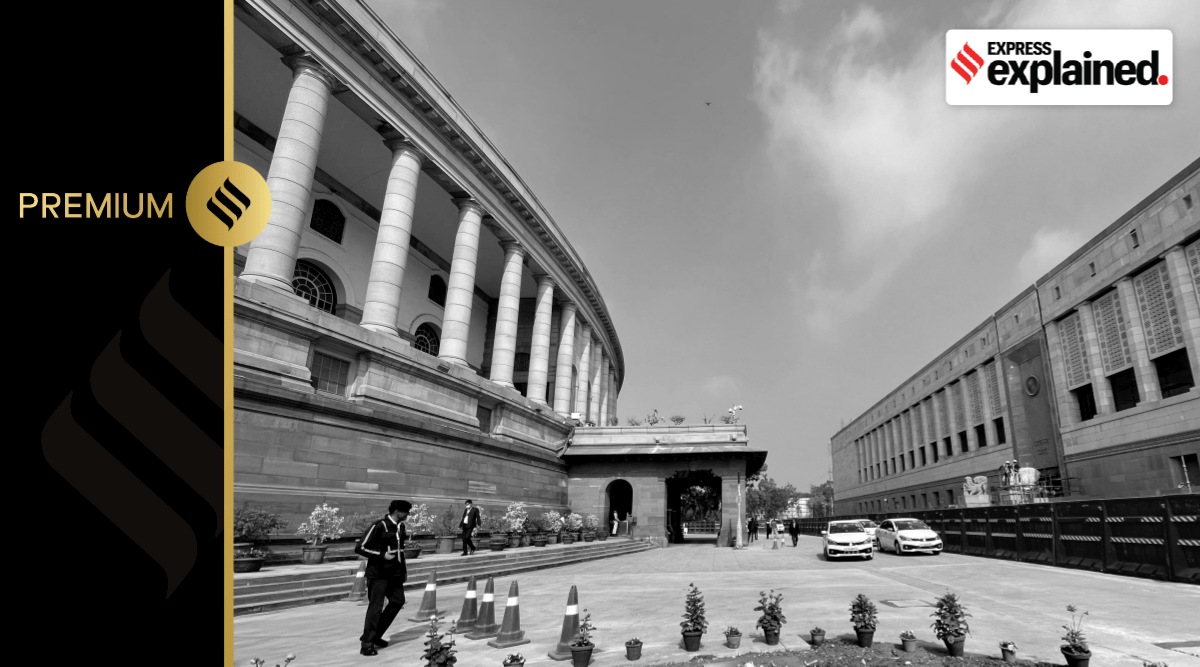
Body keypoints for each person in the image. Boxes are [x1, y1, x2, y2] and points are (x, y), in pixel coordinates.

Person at [355, 499, 411, 656]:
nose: (407, 515)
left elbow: (401, 550)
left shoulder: (401, 527)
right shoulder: (379, 525)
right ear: (397, 511)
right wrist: (381, 555)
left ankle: (376, 635)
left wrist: (403, 571)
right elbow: (360, 547)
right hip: (379, 573)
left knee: (398, 601)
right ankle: (367, 643)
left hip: (395, 574)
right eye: (406, 512)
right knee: (376, 606)